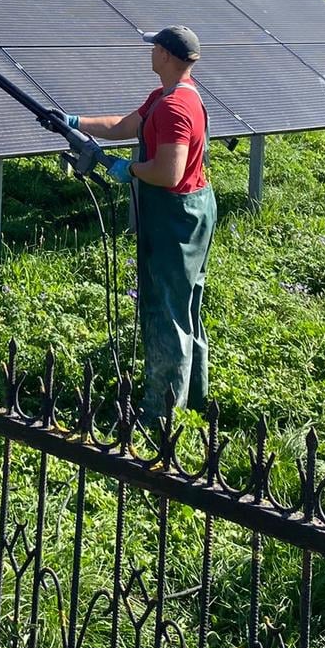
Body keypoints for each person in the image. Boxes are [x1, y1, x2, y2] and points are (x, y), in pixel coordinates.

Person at [65, 25, 217, 427]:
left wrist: (126, 168)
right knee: (186, 305)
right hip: (192, 207)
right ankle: (192, 398)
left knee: (167, 309)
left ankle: (160, 414)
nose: (150, 53)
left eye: (155, 48)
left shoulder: (174, 109)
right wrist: (76, 122)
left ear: (166, 55)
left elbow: (168, 172)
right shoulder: (170, 96)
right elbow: (123, 127)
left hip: (176, 216)